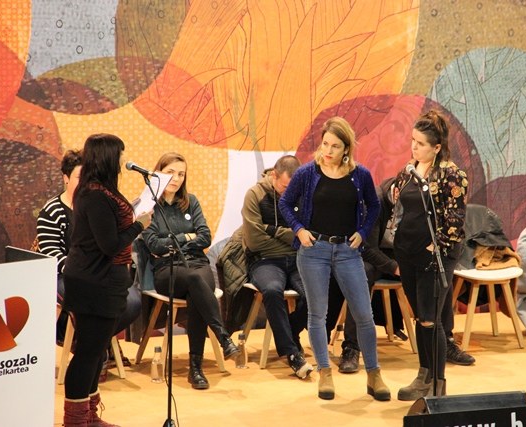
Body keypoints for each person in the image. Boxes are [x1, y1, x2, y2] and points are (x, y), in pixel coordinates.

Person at [279, 116, 390, 401]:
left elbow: (374, 206)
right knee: (318, 314)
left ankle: (374, 374)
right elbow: (285, 203)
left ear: (346, 148)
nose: (328, 150)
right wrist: (299, 229)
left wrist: (363, 232)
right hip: (313, 250)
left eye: (335, 146)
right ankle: (325, 372)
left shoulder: (360, 175)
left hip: (347, 251)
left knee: (364, 315)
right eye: (325, 143)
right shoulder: (307, 173)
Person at [337, 176, 474, 374]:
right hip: (377, 256)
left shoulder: (425, 201)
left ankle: (445, 340)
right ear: (396, 193)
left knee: (440, 274)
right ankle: (351, 347)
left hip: (409, 253)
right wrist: (395, 268)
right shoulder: (374, 202)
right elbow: (367, 248)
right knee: (362, 274)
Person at [62, 134, 152, 427]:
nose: (123, 160)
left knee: (95, 351)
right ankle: (76, 420)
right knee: (88, 352)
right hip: (94, 282)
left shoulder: (101, 191)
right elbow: (110, 244)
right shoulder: (94, 195)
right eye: (120, 154)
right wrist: (140, 225)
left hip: (104, 280)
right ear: (108, 157)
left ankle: (88, 414)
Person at [142, 152, 239, 391]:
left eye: (181, 174)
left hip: (197, 263)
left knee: (196, 286)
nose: (176, 179)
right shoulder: (148, 206)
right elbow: (153, 245)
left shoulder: (190, 202)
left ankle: (196, 367)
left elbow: (205, 236)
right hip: (167, 269)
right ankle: (221, 336)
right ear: (158, 173)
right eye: (170, 173)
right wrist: (187, 236)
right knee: (196, 281)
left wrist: (173, 242)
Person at [36, 149, 141, 372]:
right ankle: (93, 350)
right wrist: (86, 270)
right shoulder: (52, 210)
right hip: (67, 276)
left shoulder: (101, 205)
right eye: (79, 177)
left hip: (102, 272)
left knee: (132, 301)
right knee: (94, 299)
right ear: (65, 178)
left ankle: (93, 343)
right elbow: (51, 254)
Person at [392, 110, 468, 401]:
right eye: (413, 141)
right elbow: (399, 204)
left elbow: (455, 222)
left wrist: (435, 248)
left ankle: (437, 383)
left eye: (421, 143)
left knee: (430, 319)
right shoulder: (409, 170)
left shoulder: (451, 174)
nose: (414, 147)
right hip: (407, 252)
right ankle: (423, 374)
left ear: (437, 147)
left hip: (435, 256)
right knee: (419, 318)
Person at [241, 155, 313, 378]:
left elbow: (311, 235)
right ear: (274, 175)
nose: (289, 193)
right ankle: (291, 353)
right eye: (285, 187)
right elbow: (254, 241)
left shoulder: (304, 195)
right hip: (265, 259)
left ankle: (288, 332)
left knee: (317, 291)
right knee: (272, 290)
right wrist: (294, 235)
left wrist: (271, 230)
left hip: (299, 259)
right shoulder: (255, 195)